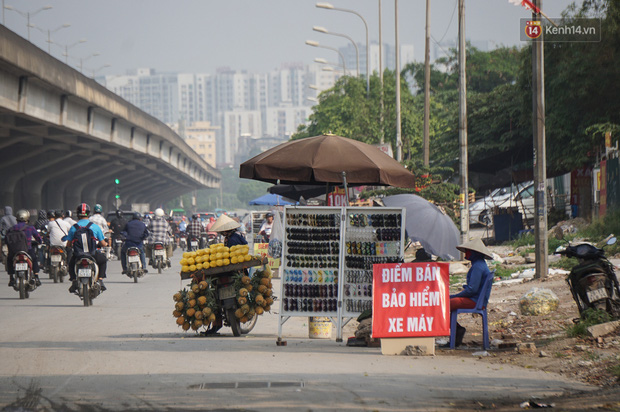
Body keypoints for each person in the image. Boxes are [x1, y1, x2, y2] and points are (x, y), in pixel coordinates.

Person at [447, 238, 493, 348]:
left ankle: (457, 332)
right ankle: (457, 330)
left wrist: (455, 296)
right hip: (476, 299)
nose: (466, 253)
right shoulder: (479, 264)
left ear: (474, 253)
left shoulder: (478, 267)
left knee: (444, 305)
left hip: (475, 301)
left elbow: (472, 290)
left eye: (468, 251)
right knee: (447, 302)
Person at [64, 203, 108, 293]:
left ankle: (73, 281)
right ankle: (100, 280)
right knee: (103, 260)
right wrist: (106, 244)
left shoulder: (74, 228)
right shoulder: (95, 227)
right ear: (88, 213)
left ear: (77, 214)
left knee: (71, 263)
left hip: (78, 255)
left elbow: (68, 244)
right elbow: (103, 243)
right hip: (92, 254)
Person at [6, 209, 43, 287]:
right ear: (27, 218)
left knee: (9, 259)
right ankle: (36, 277)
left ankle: (11, 278)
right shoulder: (30, 228)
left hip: (14, 251)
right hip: (27, 250)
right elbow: (38, 237)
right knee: (34, 259)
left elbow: (6, 239)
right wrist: (40, 242)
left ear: (17, 219)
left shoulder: (11, 229)